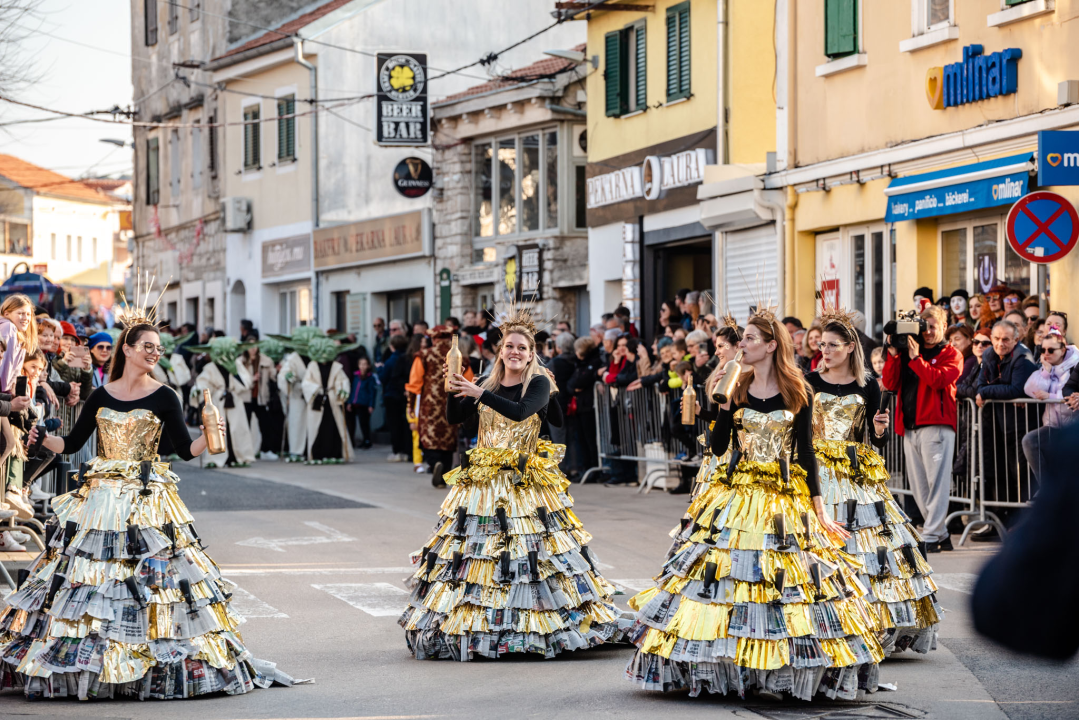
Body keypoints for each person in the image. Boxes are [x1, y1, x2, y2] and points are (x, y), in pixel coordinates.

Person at [3, 316, 296, 700]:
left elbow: (183, 448)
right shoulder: (102, 395)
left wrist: (210, 439)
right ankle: (93, 667)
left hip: (147, 498)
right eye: (147, 347)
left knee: (153, 584)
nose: (154, 353)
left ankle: (148, 666)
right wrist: (41, 438)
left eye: (158, 348)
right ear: (127, 349)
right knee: (97, 582)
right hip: (101, 501)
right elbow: (72, 445)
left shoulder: (165, 395)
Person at [626, 309, 884, 700]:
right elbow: (715, 447)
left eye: (748, 339)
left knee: (783, 585)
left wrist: (819, 509)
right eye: (741, 339)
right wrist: (722, 407)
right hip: (739, 495)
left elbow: (807, 455)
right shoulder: (735, 385)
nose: (740, 345)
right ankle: (728, 667)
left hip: (782, 496)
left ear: (770, 346)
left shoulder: (799, 389)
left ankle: (782, 667)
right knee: (729, 580)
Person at [400, 306, 628, 660]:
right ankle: (482, 626)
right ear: (499, 349)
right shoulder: (486, 382)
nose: (515, 352)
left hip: (524, 482)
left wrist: (478, 394)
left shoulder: (537, 383)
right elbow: (454, 417)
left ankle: (541, 625)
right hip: (483, 484)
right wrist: (452, 386)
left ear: (532, 353)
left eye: (522, 348)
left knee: (529, 555)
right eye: (509, 346)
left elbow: (521, 412)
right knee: (481, 558)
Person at [809, 310, 940, 654]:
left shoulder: (868, 384)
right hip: (817, 469)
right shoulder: (809, 382)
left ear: (851, 346)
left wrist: (880, 429)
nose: (825, 350)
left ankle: (873, 620)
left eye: (833, 345)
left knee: (868, 541)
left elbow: (876, 439)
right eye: (822, 345)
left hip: (853, 469)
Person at [882, 305, 962, 552]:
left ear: (944, 328)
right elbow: (889, 383)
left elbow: (939, 380)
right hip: (909, 425)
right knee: (919, 487)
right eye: (923, 327)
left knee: (937, 484)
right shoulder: (908, 352)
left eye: (932, 327)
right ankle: (941, 534)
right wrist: (895, 354)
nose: (926, 333)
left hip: (936, 426)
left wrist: (916, 359)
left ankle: (930, 535)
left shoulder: (951, 354)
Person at [405, 325, 469, 487]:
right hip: (452, 405)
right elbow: (468, 382)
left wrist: (410, 406)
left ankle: (434, 465)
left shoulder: (424, 355)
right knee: (448, 441)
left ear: (433, 339)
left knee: (429, 439)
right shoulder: (461, 357)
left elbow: (414, 384)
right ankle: (443, 474)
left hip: (430, 406)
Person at [1022, 325, 1078, 483]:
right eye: (1042, 350)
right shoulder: (1048, 368)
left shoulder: (1075, 365)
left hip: (1073, 427)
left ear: (1063, 349)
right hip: (1052, 426)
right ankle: (1046, 488)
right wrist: (1046, 373)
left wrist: (1050, 396)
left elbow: (1071, 401)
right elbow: (1029, 389)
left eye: (1051, 350)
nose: (1046, 354)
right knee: (1030, 441)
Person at [192, 337, 257, 468]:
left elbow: (247, 382)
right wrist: (197, 390)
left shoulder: (237, 365)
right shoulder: (210, 367)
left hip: (234, 400)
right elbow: (202, 382)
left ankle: (239, 457)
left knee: (237, 429)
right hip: (218, 400)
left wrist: (235, 373)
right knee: (217, 429)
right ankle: (215, 459)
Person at [302, 336, 353, 464]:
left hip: (332, 400)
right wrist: (316, 390)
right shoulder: (312, 365)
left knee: (332, 426)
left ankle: (334, 453)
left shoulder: (336, 366)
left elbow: (343, 381)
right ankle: (317, 454)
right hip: (318, 399)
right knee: (316, 427)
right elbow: (306, 382)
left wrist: (342, 390)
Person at [278, 328, 316, 462]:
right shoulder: (293, 358)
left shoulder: (314, 355)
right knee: (297, 423)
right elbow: (283, 374)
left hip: (312, 394)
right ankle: (296, 450)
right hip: (297, 394)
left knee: (313, 422)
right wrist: (288, 377)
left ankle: (311, 448)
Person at [568, 336, 603, 478]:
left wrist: (576, 385)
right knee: (581, 439)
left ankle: (593, 468)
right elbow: (571, 384)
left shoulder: (594, 361)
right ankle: (585, 468)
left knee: (590, 439)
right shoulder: (578, 363)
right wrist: (574, 387)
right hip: (580, 407)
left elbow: (582, 380)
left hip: (589, 405)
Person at [549, 331, 579, 478]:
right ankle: (574, 467)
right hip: (572, 403)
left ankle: (561, 468)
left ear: (558, 347)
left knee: (559, 438)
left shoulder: (554, 363)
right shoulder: (576, 361)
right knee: (572, 437)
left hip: (558, 404)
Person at [378, 334, 411, 462]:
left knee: (394, 425)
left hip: (392, 395)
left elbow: (383, 378)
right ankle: (406, 450)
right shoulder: (408, 358)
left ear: (392, 346)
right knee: (405, 424)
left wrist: (380, 369)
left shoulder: (391, 360)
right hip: (405, 394)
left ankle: (397, 451)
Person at [347, 356, 378, 450]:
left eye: (365, 364)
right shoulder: (355, 376)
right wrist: (350, 402)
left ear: (368, 365)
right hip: (355, 402)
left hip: (364, 403)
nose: (362, 366)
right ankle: (359, 440)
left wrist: (371, 405)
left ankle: (367, 440)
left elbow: (372, 392)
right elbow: (352, 390)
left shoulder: (370, 377)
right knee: (356, 423)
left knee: (364, 423)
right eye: (361, 364)